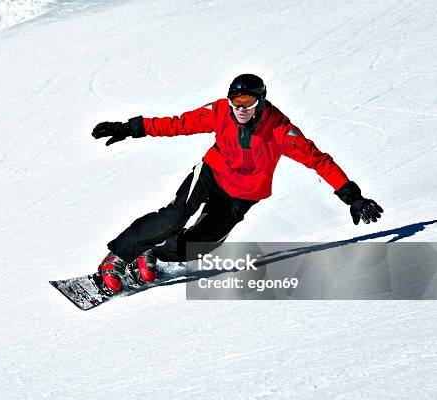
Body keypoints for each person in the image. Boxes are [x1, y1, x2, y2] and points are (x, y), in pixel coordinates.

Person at [91, 73, 383, 294]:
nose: (240, 109)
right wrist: (130, 128)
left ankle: (152, 254)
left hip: (243, 195)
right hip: (210, 175)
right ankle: (115, 257)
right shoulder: (220, 112)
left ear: (261, 102)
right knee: (174, 217)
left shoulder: (282, 131)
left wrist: (352, 197)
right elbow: (178, 123)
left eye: (247, 103)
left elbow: (319, 160)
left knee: (199, 246)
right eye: (235, 102)